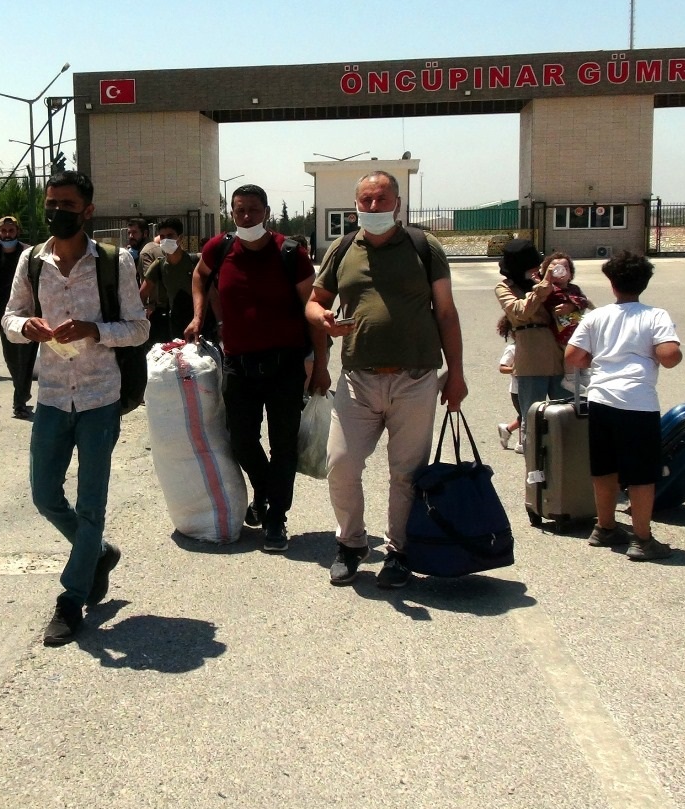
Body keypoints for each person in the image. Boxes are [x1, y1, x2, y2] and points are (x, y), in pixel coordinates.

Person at [1, 171, 150, 646]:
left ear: (87, 210)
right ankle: (98, 554)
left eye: (66, 204)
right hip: (51, 398)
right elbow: (8, 317)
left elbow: (139, 328)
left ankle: (71, 598)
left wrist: (93, 329)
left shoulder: (115, 261)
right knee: (44, 494)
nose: (56, 211)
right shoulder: (32, 260)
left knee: (91, 503)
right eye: (51, 203)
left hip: (99, 398)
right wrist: (27, 327)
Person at [305, 171, 468, 588]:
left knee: (405, 474)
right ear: (356, 204)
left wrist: (457, 375)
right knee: (341, 465)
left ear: (397, 203)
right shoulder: (342, 248)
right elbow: (314, 302)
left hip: (415, 380)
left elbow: (446, 313)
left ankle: (398, 552)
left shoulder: (423, 246)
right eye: (365, 200)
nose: (373, 207)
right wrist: (321, 318)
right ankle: (351, 543)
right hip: (358, 379)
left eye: (381, 199)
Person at [185, 184, 331, 553]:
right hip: (238, 366)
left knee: (284, 446)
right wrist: (199, 314)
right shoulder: (219, 248)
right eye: (239, 210)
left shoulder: (289, 252)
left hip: (285, 367)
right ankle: (265, 489)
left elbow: (312, 312)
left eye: (253, 210)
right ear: (231, 213)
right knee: (240, 441)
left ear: (266, 212)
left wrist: (321, 365)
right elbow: (200, 276)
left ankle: (276, 518)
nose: (246, 216)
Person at [564, 250, 683, 561]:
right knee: (642, 473)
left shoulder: (595, 316)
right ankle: (642, 538)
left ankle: (604, 527)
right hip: (637, 401)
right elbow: (670, 356)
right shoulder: (655, 315)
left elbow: (573, 357)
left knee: (605, 467)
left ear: (612, 283)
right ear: (643, 283)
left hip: (600, 398)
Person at [495, 239, 570, 452]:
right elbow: (519, 311)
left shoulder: (545, 281)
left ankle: (564, 463)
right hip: (530, 357)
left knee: (565, 415)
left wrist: (570, 303)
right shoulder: (504, 288)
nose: (536, 270)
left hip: (557, 355)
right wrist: (542, 288)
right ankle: (534, 467)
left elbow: (576, 303)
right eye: (531, 266)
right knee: (532, 418)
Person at [0, 215, 38, 420]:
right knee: (11, 360)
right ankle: (22, 391)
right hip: (5, 317)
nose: (7, 235)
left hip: (27, 316)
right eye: (4, 231)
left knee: (25, 360)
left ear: (17, 231)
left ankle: (19, 402)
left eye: (11, 231)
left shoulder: (28, 254)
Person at [540, 251, 594, 394]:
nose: (561, 271)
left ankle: (583, 374)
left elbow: (584, 301)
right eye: (555, 268)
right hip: (561, 329)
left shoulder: (574, 289)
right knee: (568, 350)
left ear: (571, 273)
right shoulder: (550, 289)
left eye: (566, 268)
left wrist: (573, 305)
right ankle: (569, 378)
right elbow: (548, 301)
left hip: (576, 325)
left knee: (584, 346)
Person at [140, 218, 197, 344]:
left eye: (170, 235)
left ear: (180, 237)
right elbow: (142, 294)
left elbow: (212, 294)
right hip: (174, 323)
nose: (165, 240)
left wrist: (221, 322)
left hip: (198, 321)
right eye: (162, 236)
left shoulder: (194, 261)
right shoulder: (159, 265)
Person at [496, 316, 522, 453]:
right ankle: (522, 443)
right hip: (517, 390)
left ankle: (507, 429)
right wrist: (514, 369)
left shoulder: (531, 347)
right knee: (525, 415)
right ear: (512, 333)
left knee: (526, 414)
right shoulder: (512, 349)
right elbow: (502, 368)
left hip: (529, 385)